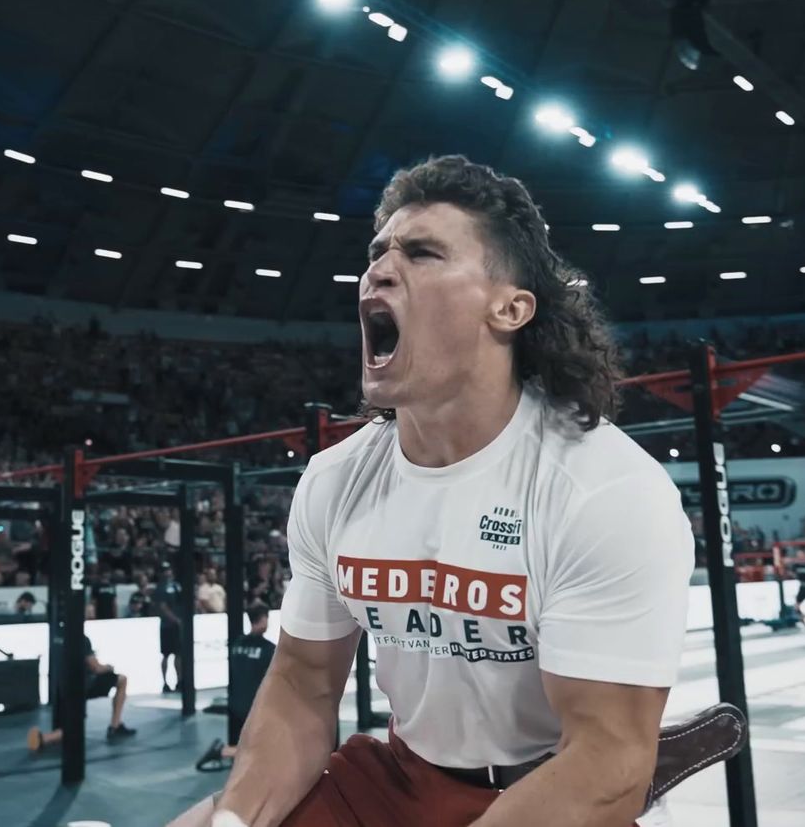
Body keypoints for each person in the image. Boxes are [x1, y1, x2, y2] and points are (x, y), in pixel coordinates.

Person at [168, 156, 701, 827]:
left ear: (509, 308)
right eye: (378, 252)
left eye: (421, 252)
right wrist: (235, 818)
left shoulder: (603, 488)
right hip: (397, 775)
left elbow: (607, 762)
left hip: (546, 794)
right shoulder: (337, 480)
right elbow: (304, 683)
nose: (380, 268)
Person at [197, 604, 276, 772]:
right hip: (255, 704)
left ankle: (230, 752)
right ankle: (224, 751)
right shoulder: (268, 649)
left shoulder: (237, 644)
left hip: (236, 703)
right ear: (262, 620)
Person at [27, 631, 137, 750]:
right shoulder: (82, 638)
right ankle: (44, 739)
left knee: (72, 724)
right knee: (122, 679)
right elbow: (96, 668)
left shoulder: (57, 637)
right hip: (84, 685)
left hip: (62, 686)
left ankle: (116, 725)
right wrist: (109, 667)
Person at [154, 562, 185, 693]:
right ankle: (165, 682)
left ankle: (179, 681)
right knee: (166, 654)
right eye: (165, 571)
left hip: (177, 624)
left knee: (179, 654)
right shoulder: (160, 588)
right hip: (167, 625)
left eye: (169, 570)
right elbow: (162, 607)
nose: (168, 573)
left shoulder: (177, 586)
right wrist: (175, 619)